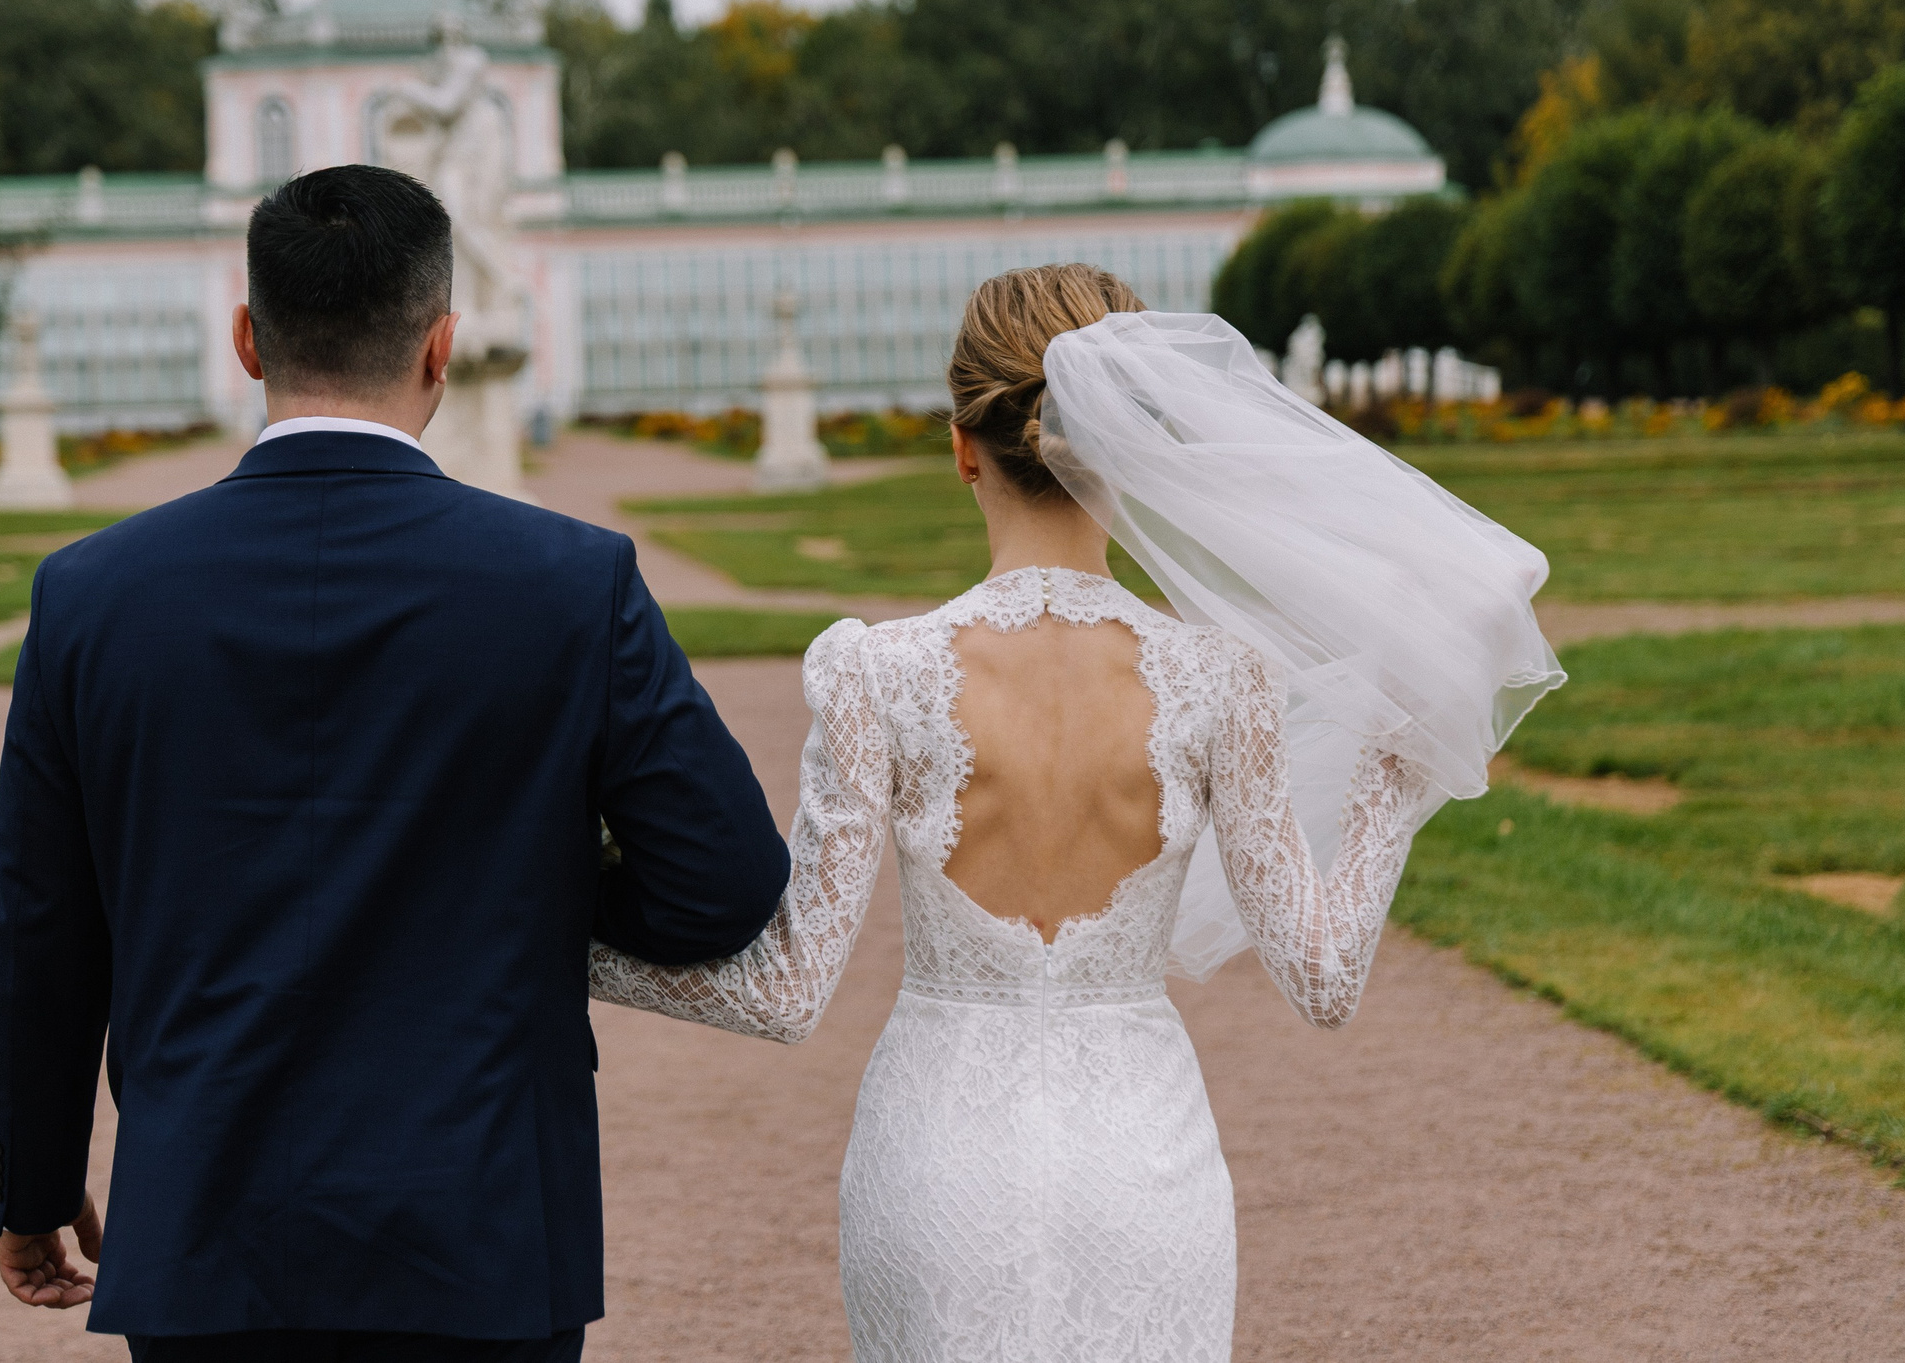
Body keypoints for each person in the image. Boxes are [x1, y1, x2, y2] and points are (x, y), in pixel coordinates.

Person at [590, 263, 1563, 1362]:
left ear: (962, 448)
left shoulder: (878, 675)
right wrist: (1400, 754)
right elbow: (1324, 981)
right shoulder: (1219, 679)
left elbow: (782, 992)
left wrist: (564, 946)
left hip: (936, 1161)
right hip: (1141, 1163)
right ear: (1130, 456)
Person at [0, 163, 791, 1361]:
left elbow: (39, 929)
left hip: (205, 1231)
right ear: (442, 344)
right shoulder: (570, 584)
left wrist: (30, 1185)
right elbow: (723, 880)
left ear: (247, 339)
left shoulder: (94, 596)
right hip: (484, 1226)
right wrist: (535, 887)